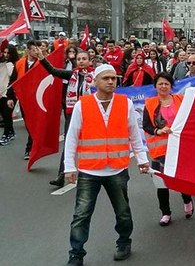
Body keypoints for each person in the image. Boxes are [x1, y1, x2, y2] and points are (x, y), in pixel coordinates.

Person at [63, 64, 150, 266]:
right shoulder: (82, 105)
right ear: (96, 81)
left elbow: (134, 134)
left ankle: (124, 242)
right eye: (106, 78)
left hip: (117, 169)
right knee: (81, 215)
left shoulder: (125, 103)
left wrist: (142, 160)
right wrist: (69, 166)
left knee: (123, 211)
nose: (111, 82)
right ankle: (76, 254)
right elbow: (72, 137)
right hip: (89, 170)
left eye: (113, 78)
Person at [36, 49, 94, 188]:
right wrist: (43, 59)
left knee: (90, 143)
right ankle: (62, 174)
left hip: (90, 114)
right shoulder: (71, 74)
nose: (81, 61)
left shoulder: (95, 75)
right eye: (79, 59)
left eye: (83, 59)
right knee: (69, 141)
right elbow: (53, 71)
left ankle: (92, 172)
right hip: (72, 113)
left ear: (89, 61)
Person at [142, 73, 194, 226]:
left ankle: (187, 200)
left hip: (179, 148)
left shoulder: (181, 100)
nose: (163, 86)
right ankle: (165, 213)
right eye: (160, 84)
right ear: (155, 86)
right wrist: (158, 131)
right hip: (160, 150)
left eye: (166, 84)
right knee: (161, 183)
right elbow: (146, 125)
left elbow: (190, 119)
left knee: (181, 178)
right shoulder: (150, 104)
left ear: (171, 86)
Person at [0, 45, 18, 146]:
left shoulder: (14, 65)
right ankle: (11, 132)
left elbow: (13, 80)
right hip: (1, 93)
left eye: (8, 53)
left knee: (7, 114)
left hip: (9, 94)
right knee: (4, 115)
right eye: (4, 52)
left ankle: (6, 134)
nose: (6, 55)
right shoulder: (2, 63)